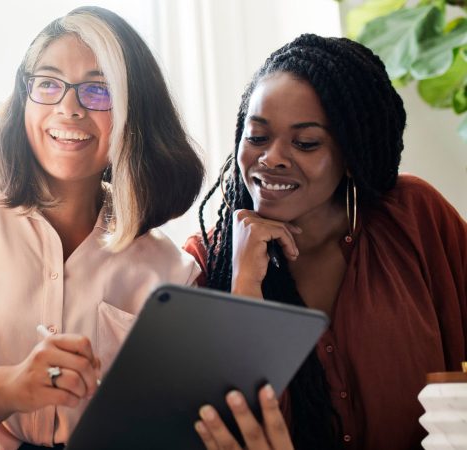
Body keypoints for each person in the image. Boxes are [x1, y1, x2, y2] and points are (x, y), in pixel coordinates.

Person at [0, 6, 204, 449]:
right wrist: (13, 385)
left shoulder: (172, 270)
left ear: (134, 111)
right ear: (25, 98)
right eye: (48, 84)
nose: (68, 109)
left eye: (97, 89)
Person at [186, 34, 467, 450]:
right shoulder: (207, 263)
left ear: (352, 154)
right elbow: (229, 431)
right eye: (257, 137)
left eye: (306, 143)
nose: (272, 158)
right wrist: (244, 285)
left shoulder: (414, 217)